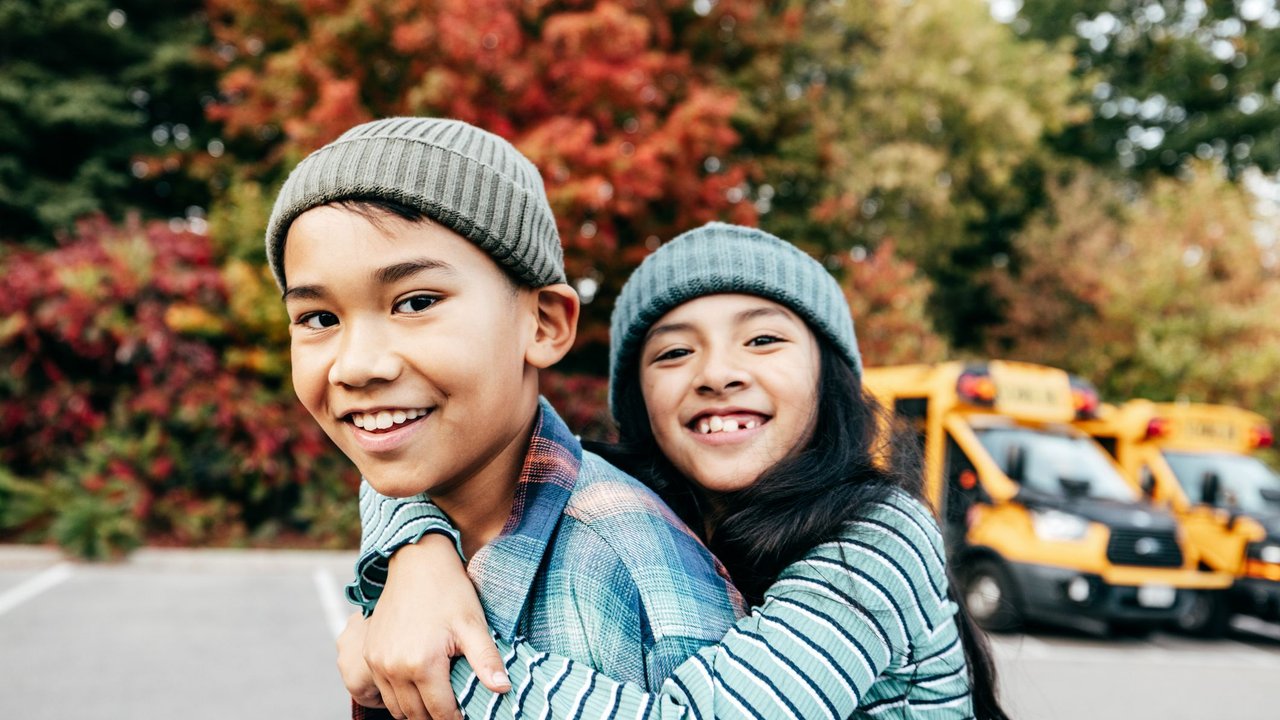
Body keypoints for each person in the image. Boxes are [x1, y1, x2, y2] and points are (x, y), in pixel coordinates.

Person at [343, 222, 1009, 719]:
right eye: (674, 353)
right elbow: (447, 460)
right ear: (639, 402)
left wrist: (422, 660)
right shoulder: (637, 507)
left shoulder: (882, 535)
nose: (718, 373)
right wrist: (417, 551)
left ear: (828, 375)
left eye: (763, 339)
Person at [265, 118, 742, 720]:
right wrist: (414, 541)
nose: (356, 366)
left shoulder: (627, 570)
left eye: (416, 303)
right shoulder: (434, 487)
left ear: (543, 323)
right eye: (317, 318)